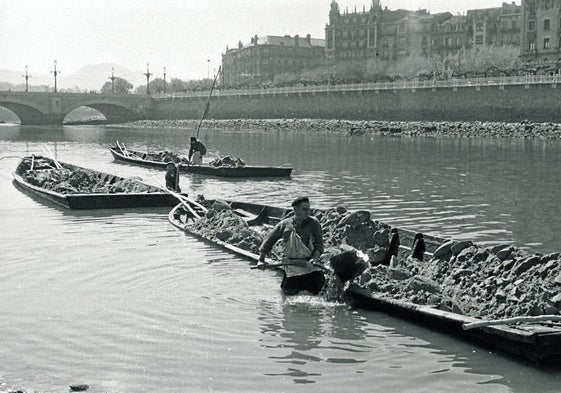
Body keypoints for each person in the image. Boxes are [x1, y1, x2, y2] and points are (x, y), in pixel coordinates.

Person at [258, 196, 325, 295]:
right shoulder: (285, 225)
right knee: (288, 299)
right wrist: (261, 260)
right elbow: (269, 241)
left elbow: (319, 245)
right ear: (295, 209)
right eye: (304, 209)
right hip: (292, 267)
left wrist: (314, 259)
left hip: (310, 266)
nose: (308, 212)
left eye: (309, 209)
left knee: (319, 295)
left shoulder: (314, 223)